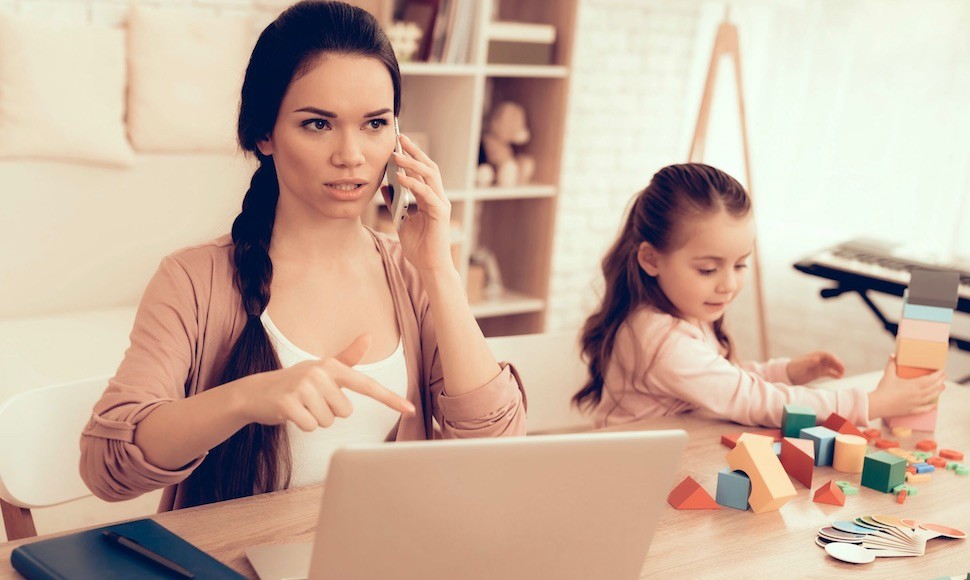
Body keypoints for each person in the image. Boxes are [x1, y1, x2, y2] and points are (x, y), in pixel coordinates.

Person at [80, 0, 525, 510]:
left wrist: (439, 270)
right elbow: (107, 468)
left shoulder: (413, 275)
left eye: (375, 124)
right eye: (318, 124)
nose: (351, 154)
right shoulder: (193, 280)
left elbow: (498, 450)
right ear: (264, 133)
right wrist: (246, 398)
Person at [573, 163, 944, 429]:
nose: (728, 284)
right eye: (707, 269)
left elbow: (722, 378)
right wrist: (872, 403)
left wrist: (783, 371)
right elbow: (752, 401)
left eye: (740, 265)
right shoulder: (659, 338)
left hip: (675, 457)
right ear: (651, 259)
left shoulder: (684, 311)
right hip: (631, 477)